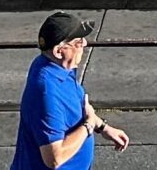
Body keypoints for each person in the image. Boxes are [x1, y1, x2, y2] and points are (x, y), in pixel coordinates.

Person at [12, 11, 129, 169]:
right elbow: (54, 158)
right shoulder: (46, 92)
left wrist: (102, 127)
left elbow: (82, 110)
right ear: (59, 51)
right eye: (79, 42)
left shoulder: (58, 68)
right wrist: (88, 125)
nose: (85, 44)